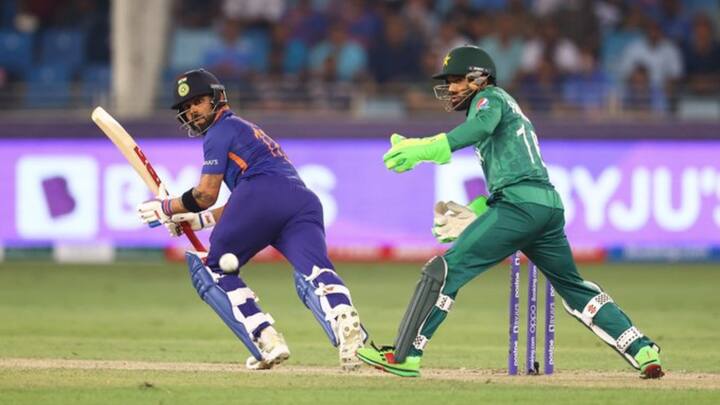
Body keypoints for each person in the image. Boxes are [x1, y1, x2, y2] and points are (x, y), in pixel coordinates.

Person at [355, 45, 664, 379]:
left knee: (442, 271)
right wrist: (480, 210)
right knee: (574, 289)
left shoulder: (489, 98)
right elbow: (514, 172)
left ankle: (404, 356)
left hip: (518, 207)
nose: (451, 88)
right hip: (545, 206)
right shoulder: (506, 107)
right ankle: (642, 349)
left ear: (479, 79)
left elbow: (480, 129)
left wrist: (430, 147)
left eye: (457, 80)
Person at [136, 68, 366, 371]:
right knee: (316, 272)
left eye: (197, 102)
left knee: (213, 268)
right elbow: (250, 198)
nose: (192, 111)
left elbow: (207, 194)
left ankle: (265, 338)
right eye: (186, 107)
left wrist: (166, 207)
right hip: (301, 202)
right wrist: (197, 221)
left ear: (217, 98)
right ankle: (348, 328)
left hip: (261, 197)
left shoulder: (219, 132)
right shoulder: (247, 129)